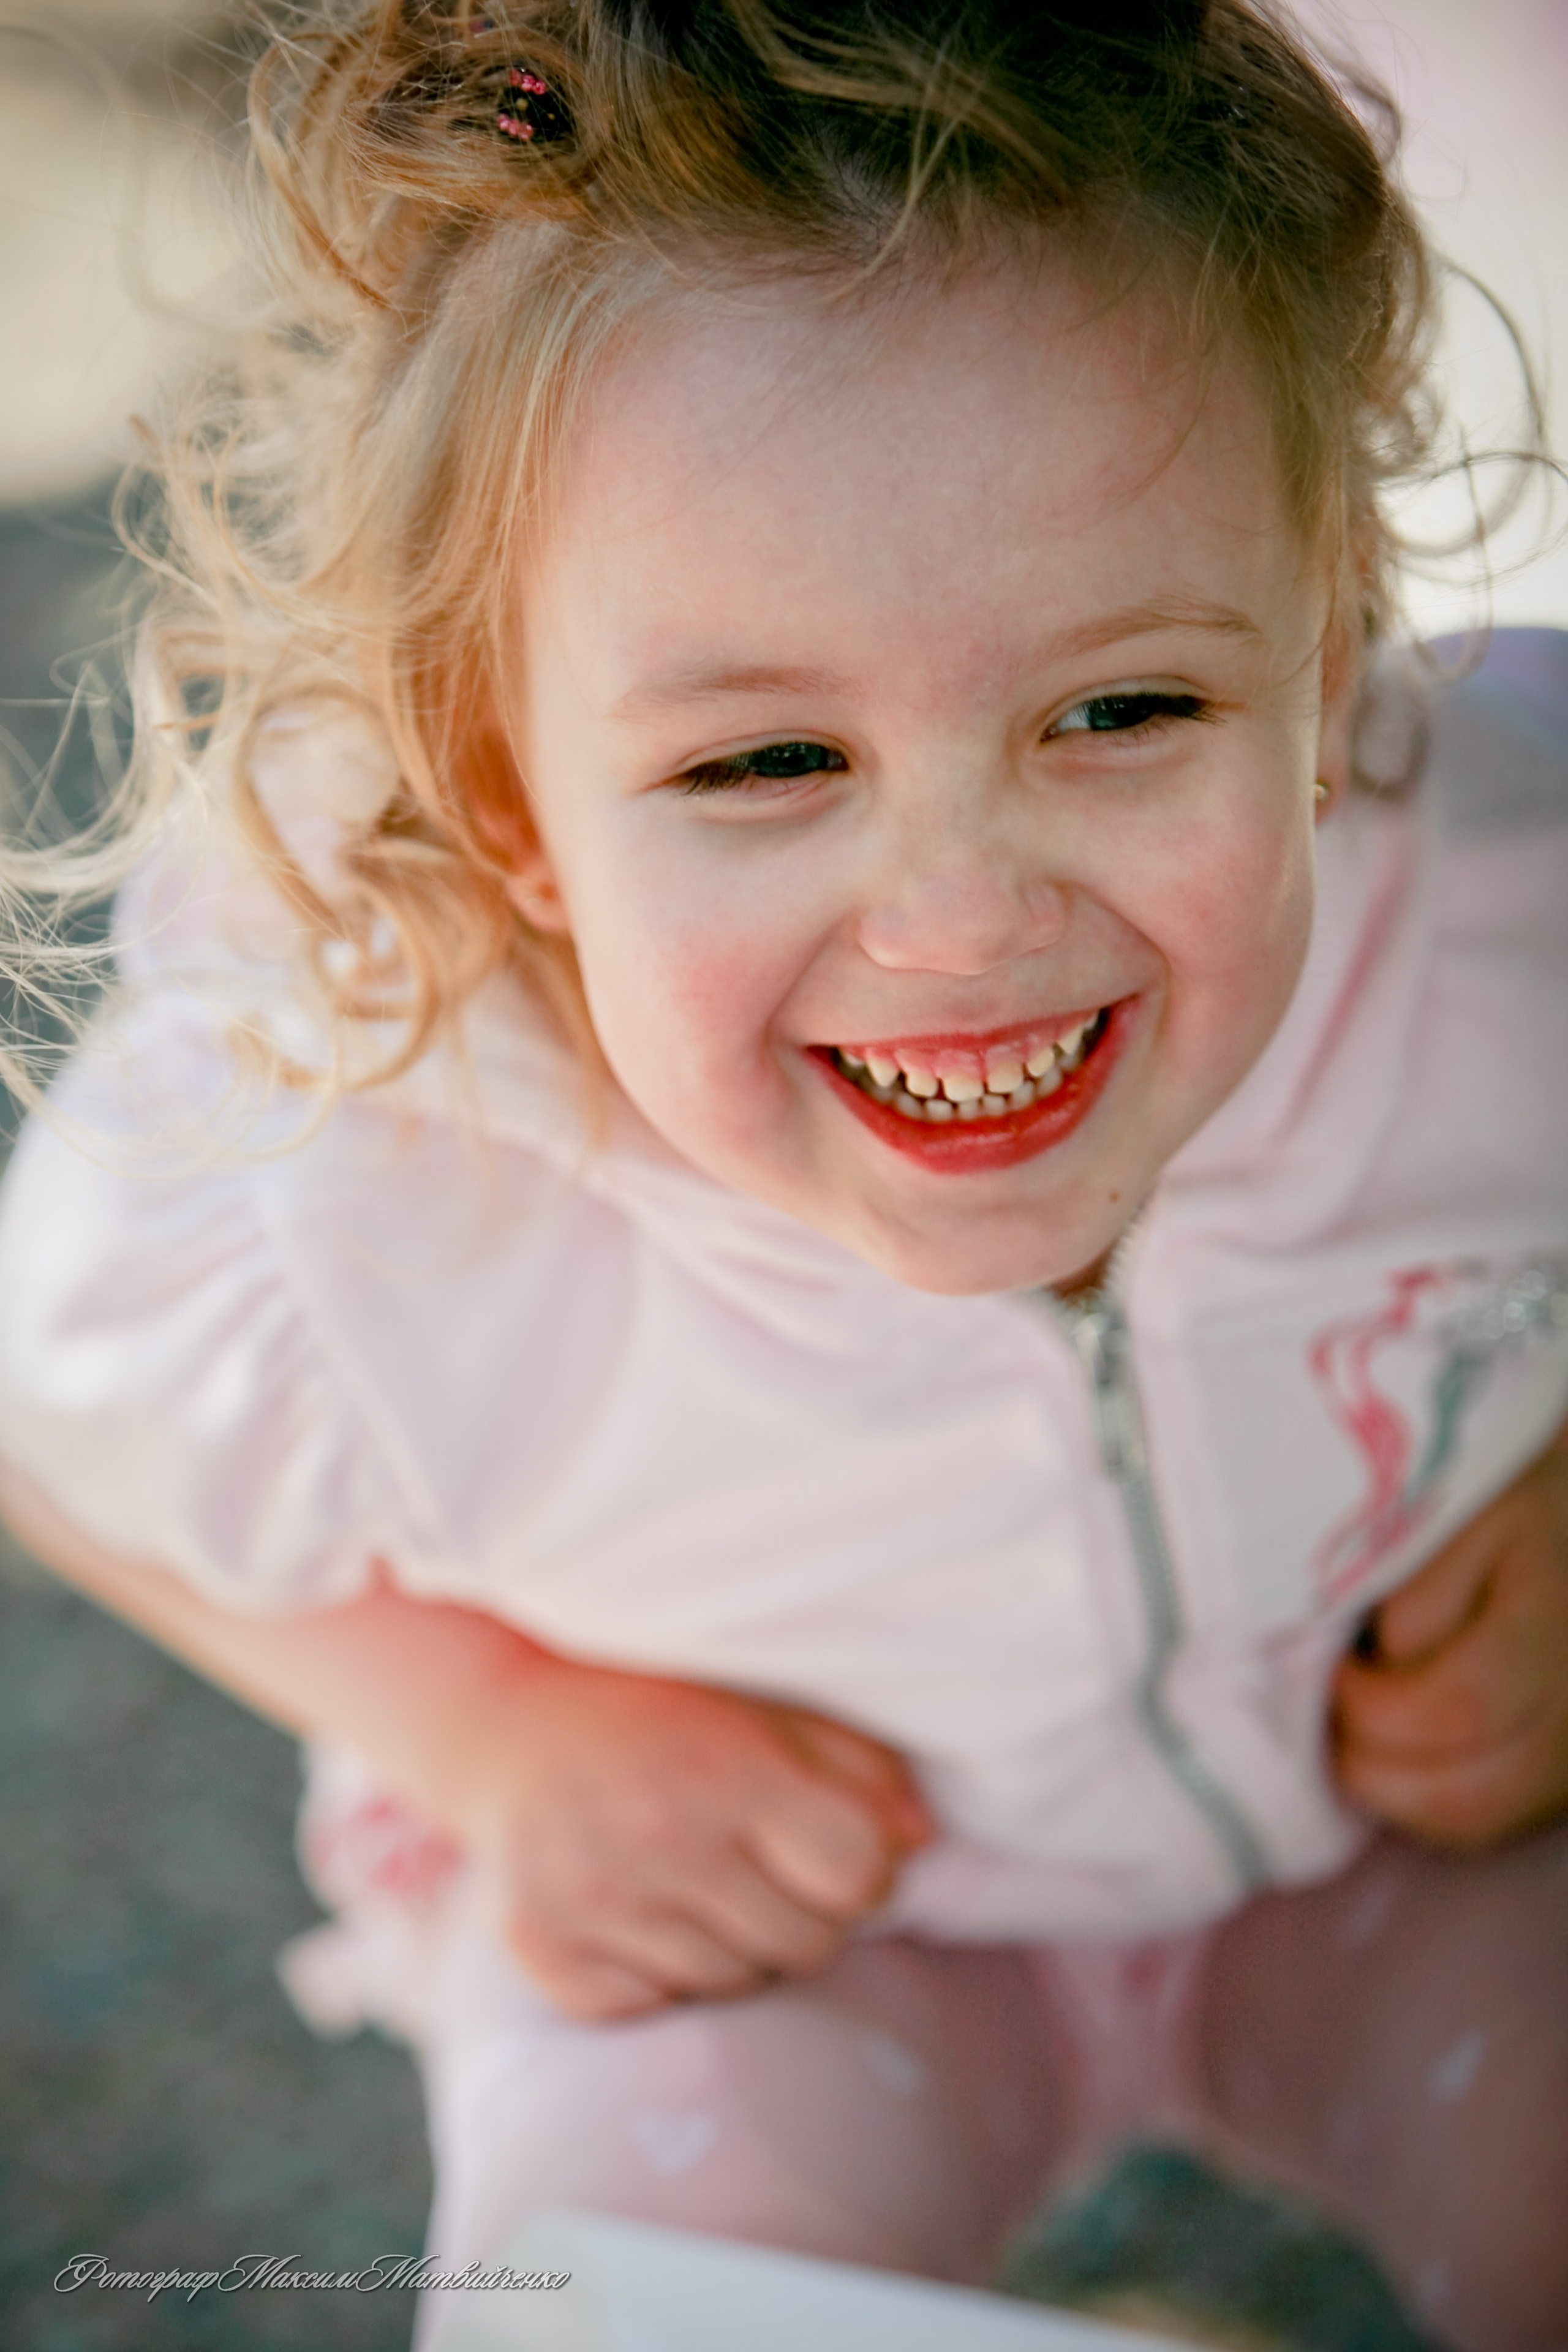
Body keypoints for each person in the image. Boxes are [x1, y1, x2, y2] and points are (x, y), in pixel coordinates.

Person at [0, 3, 1563, 2346]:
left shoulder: (1513, 921)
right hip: (807, 1947)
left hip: (1412, 1862)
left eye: (1123, 711)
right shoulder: (360, 1159)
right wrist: (497, 1737)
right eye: (765, 763)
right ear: (516, 802)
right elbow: (66, 1440)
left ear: (1328, 641)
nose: (961, 915)